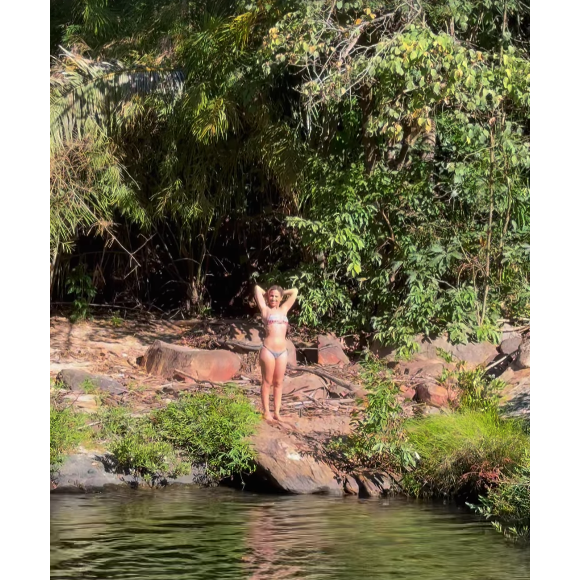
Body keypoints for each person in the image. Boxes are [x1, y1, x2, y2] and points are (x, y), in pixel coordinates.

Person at [254, 284, 299, 422]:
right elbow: (257, 288)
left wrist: (281, 291)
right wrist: (268, 292)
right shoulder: (265, 310)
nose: (273, 298)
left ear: (280, 299)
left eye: (276, 296)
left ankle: (277, 413)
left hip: (282, 352)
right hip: (268, 350)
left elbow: (295, 291)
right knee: (267, 381)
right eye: (271, 296)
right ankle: (266, 412)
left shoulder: (284, 309)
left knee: (279, 382)